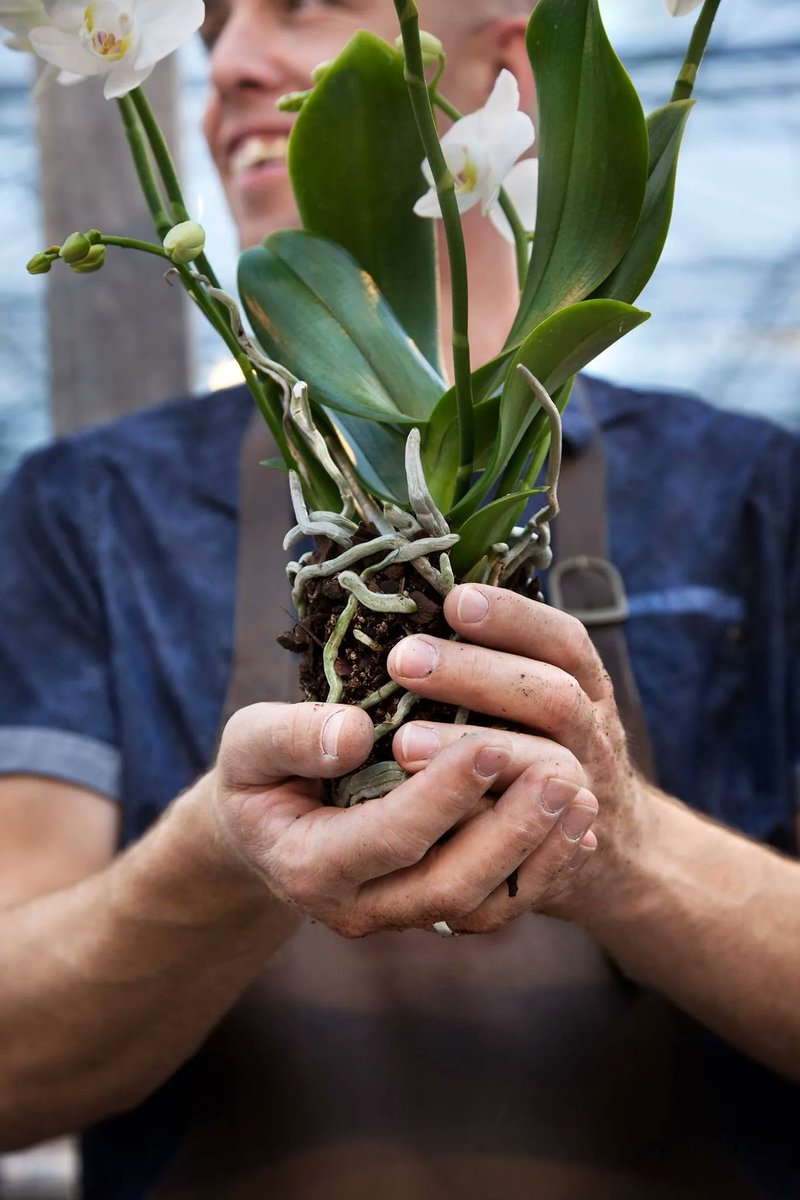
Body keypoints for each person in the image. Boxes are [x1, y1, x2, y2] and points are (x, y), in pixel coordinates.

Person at [0, 1, 798, 1197]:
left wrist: (619, 847)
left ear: (510, 63)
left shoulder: (748, 493)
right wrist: (220, 858)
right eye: (210, 33)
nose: (231, 68)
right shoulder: (90, 509)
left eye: (303, 5)